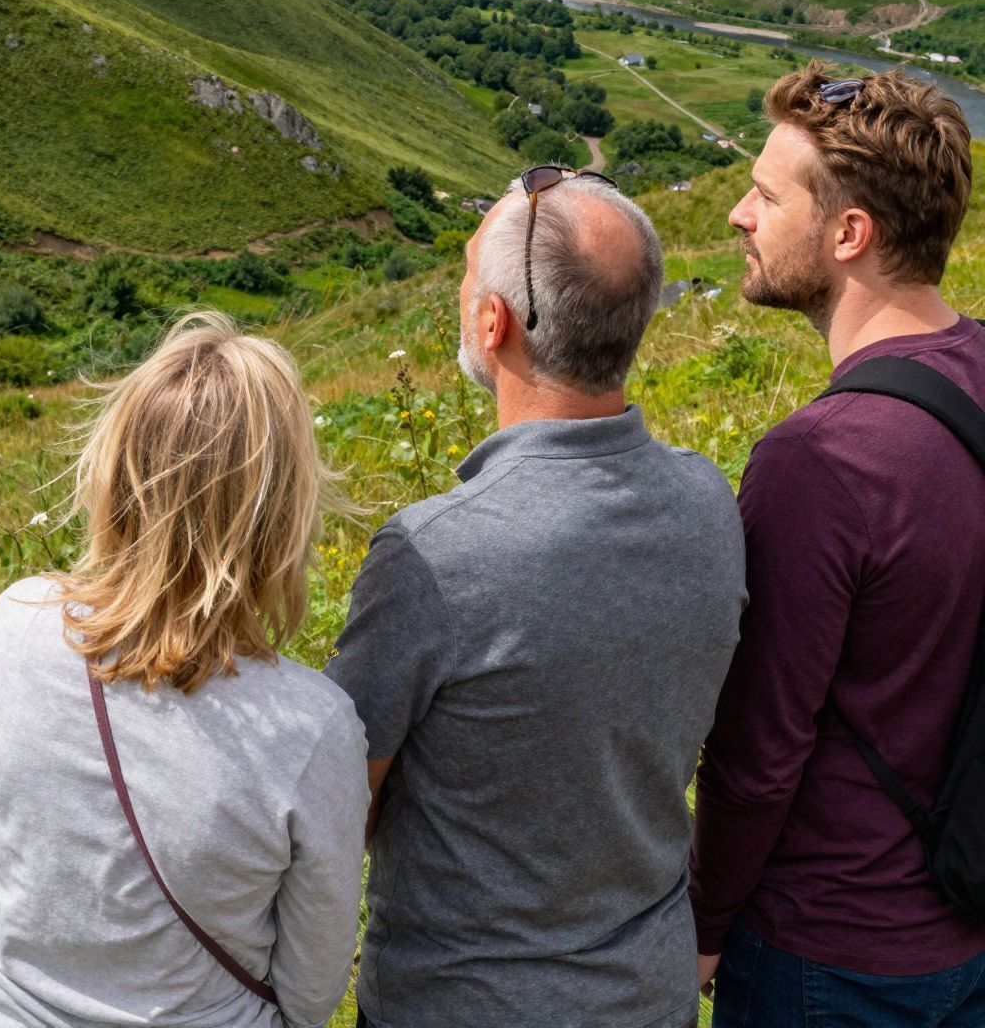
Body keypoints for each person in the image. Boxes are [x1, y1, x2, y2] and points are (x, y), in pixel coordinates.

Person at [328, 166, 746, 1028]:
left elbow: (341, 803)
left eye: (467, 274)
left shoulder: (434, 554)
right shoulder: (710, 503)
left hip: (462, 1005)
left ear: (495, 323)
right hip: (647, 996)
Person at [0, 312, 369, 1028]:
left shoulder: (14, 624)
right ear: (283, 513)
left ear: (114, 475)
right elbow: (311, 992)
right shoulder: (312, 729)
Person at [691, 66, 985, 1026]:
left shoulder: (822, 462)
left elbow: (758, 751)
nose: (740, 214)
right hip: (966, 916)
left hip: (831, 951)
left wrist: (702, 924)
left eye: (768, 196)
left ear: (848, 233)